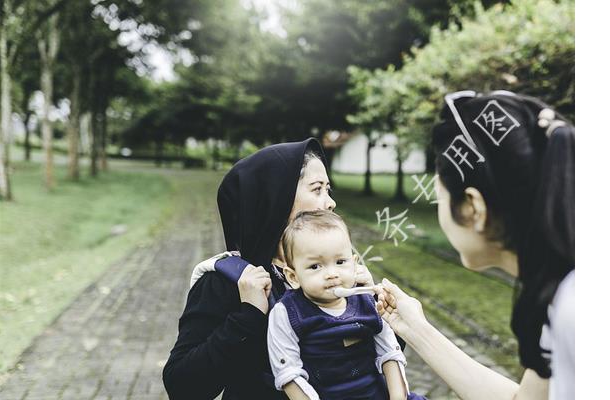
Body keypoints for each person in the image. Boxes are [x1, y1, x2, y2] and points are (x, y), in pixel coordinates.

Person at [376, 90, 574, 400]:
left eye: (439, 197)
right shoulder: (555, 293)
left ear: (472, 208)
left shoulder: (572, 310)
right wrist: (414, 328)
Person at [163, 138, 375, 400]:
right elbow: (181, 386)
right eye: (317, 189)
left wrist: (372, 304)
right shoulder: (230, 281)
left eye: (328, 190)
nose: (330, 202)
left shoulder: (337, 271)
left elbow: (380, 356)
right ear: (277, 198)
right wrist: (247, 317)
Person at [268, 210, 423, 400]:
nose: (332, 273)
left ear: (354, 263)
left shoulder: (366, 301)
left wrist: (397, 397)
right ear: (293, 277)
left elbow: (390, 352)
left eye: (340, 262)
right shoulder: (287, 312)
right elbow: (289, 374)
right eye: (315, 266)